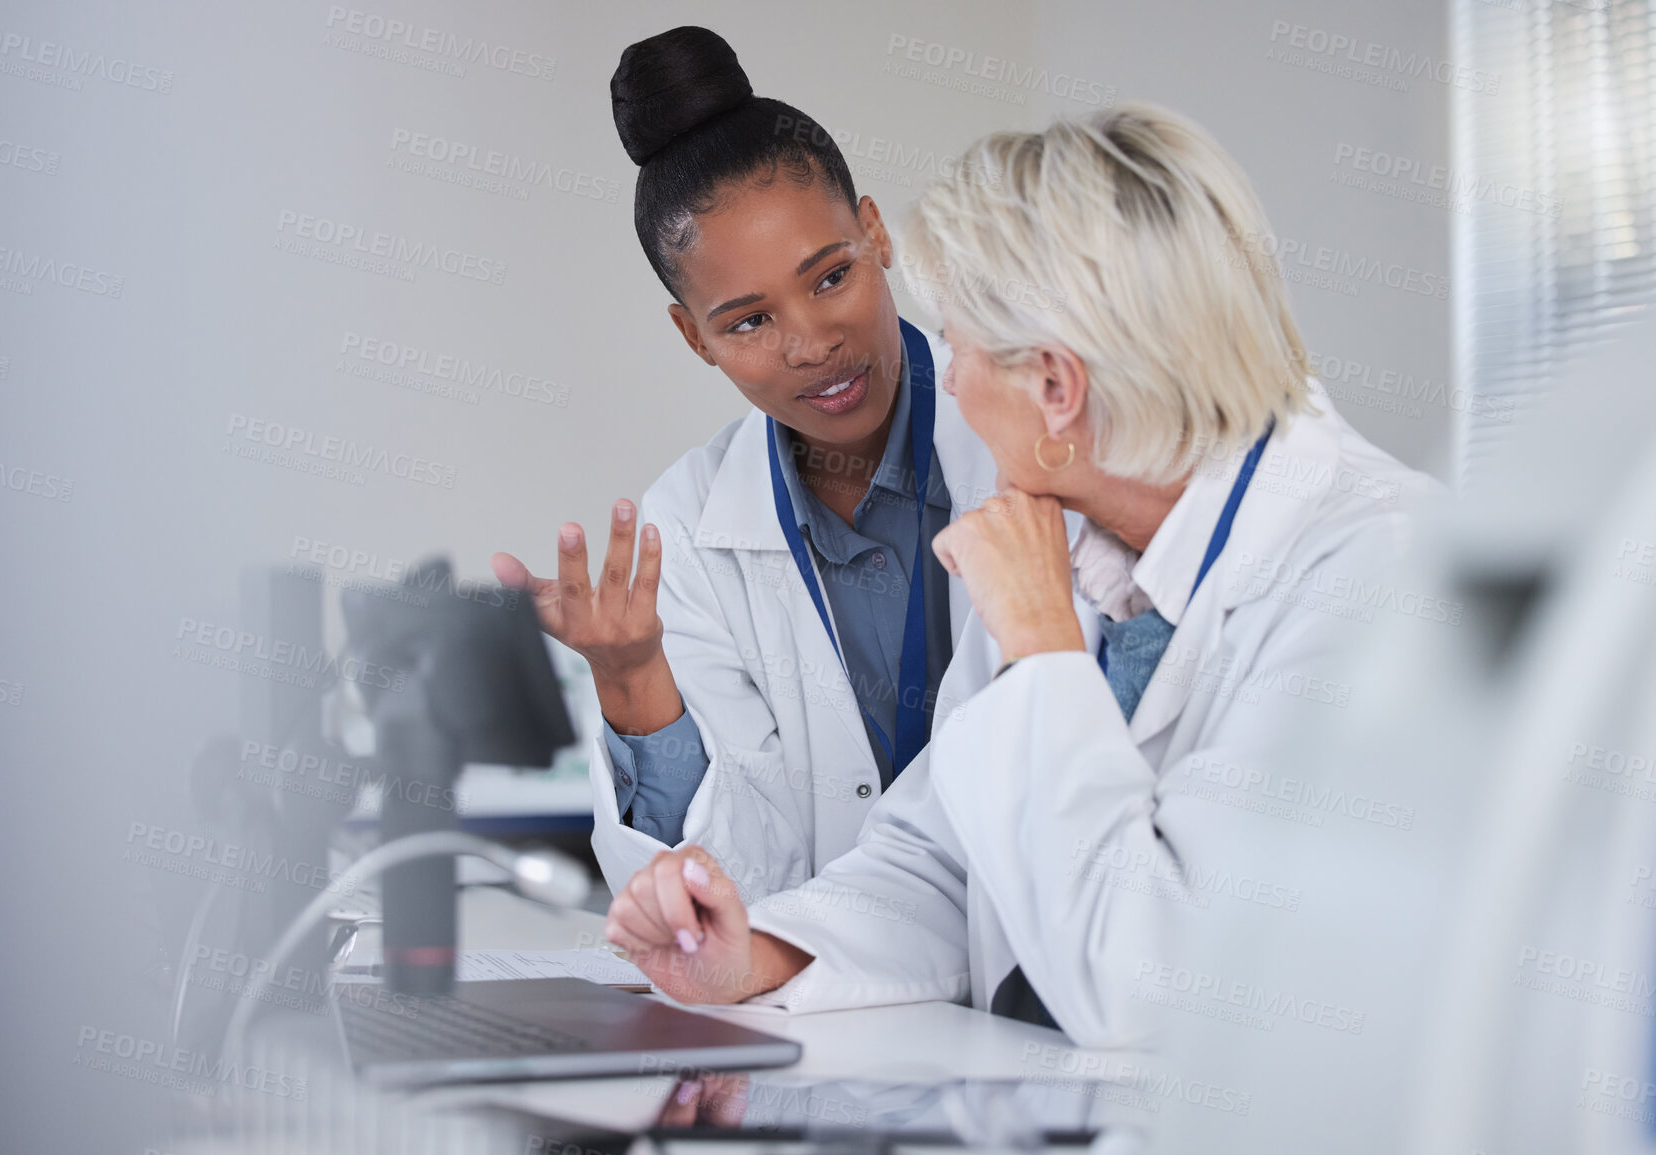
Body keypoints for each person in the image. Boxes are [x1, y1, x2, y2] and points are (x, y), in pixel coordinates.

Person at [601, 103, 1441, 1046]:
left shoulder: (1377, 573)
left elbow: (1153, 983)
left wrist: (1043, 656)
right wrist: (757, 954)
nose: (945, 383)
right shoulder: (1084, 550)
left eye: (956, 343)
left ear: (1054, 387)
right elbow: (938, 860)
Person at [489, 28, 1021, 903]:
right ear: (692, 336)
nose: (811, 344)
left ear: (876, 233)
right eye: (746, 322)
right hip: (835, 1002)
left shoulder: (1026, 429)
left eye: (828, 277)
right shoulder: (687, 532)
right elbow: (725, 893)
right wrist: (632, 683)